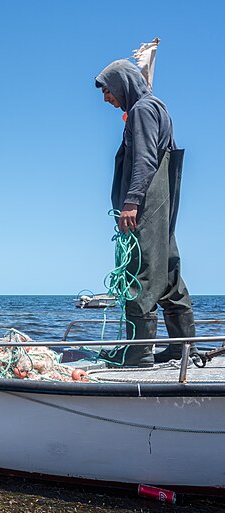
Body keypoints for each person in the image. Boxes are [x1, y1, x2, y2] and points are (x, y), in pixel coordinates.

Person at [95, 59, 197, 366]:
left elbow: (144, 159)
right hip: (162, 207)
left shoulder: (142, 110)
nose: (106, 98)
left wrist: (131, 202)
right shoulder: (157, 107)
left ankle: (138, 351)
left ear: (122, 84)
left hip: (147, 205)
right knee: (167, 272)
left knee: (138, 271)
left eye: (108, 90)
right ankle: (183, 347)